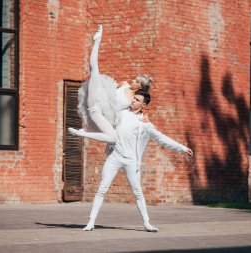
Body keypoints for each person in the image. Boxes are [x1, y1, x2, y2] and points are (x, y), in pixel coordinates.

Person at [81, 90, 194, 232]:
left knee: (138, 192)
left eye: (137, 100)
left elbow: (162, 138)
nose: (133, 101)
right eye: (133, 98)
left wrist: (182, 148)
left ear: (144, 105)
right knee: (102, 189)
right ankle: (91, 222)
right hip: (114, 157)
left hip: (131, 161)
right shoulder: (120, 113)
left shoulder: (145, 124)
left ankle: (147, 223)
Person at [68, 25, 153, 143]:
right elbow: (108, 88)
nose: (133, 81)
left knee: (113, 139)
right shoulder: (124, 84)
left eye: (137, 82)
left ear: (141, 87)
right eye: (135, 79)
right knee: (94, 69)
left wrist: (145, 118)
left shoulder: (134, 99)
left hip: (99, 114)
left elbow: (137, 111)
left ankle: (81, 133)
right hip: (96, 99)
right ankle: (97, 39)